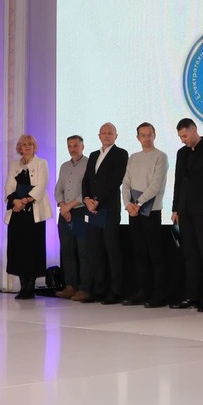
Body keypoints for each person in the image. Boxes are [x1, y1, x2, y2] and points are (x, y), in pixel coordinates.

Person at [170, 118, 203, 313]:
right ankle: (192, 296)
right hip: (184, 210)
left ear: (194, 130)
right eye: (180, 137)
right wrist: (175, 208)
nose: (182, 140)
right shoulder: (181, 153)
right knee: (189, 253)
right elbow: (178, 181)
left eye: (185, 136)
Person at [121, 123, 169, 308]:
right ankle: (142, 291)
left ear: (154, 135)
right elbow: (126, 183)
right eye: (143, 135)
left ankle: (158, 294)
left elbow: (156, 185)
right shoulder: (133, 158)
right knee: (139, 252)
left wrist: (138, 203)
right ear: (138, 137)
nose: (146, 138)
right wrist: (128, 204)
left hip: (151, 211)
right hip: (134, 211)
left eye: (149, 135)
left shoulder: (161, 156)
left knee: (155, 253)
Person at [82, 123, 129, 304]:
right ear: (99, 135)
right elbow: (86, 180)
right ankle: (99, 290)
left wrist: (98, 200)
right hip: (92, 210)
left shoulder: (121, 154)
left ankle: (115, 291)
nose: (107, 135)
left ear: (116, 136)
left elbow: (116, 180)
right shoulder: (94, 155)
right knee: (96, 250)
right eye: (104, 133)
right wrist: (87, 199)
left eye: (110, 133)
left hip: (108, 208)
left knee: (112, 250)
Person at [5, 134, 52, 299]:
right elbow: (9, 185)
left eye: (30, 144)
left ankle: (30, 287)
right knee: (18, 249)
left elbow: (42, 185)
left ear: (34, 146)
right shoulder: (14, 165)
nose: (27, 147)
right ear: (19, 147)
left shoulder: (42, 163)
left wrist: (25, 200)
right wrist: (15, 201)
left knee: (33, 249)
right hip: (17, 213)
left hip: (34, 213)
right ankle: (23, 286)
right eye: (24, 144)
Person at [55, 135, 93, 301]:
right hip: (65, 213)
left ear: (82, 146)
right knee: (67, 249)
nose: (73, 149)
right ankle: (70, 286)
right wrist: (63, 205)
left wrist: (69, 206)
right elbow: (58, 189)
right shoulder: (64, 166)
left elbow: (87, 190)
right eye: (70, 146)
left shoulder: (89, 164)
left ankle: (84, 288)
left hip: (80, 212)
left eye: (76, 145)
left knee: (83, 250)